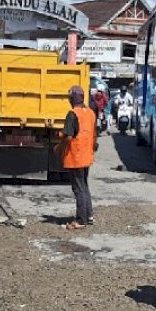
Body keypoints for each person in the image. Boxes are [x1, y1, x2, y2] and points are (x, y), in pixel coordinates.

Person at [55, 86, 97, 230]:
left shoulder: (72, 114)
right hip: (87, 155)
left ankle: (81, 219)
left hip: (76, 156)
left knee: (78, 188)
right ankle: (89, 215)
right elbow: (93, 136)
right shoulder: (90, 113)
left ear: (72, 99)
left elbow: (68, 136)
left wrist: (58, 148)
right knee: (84, 185)